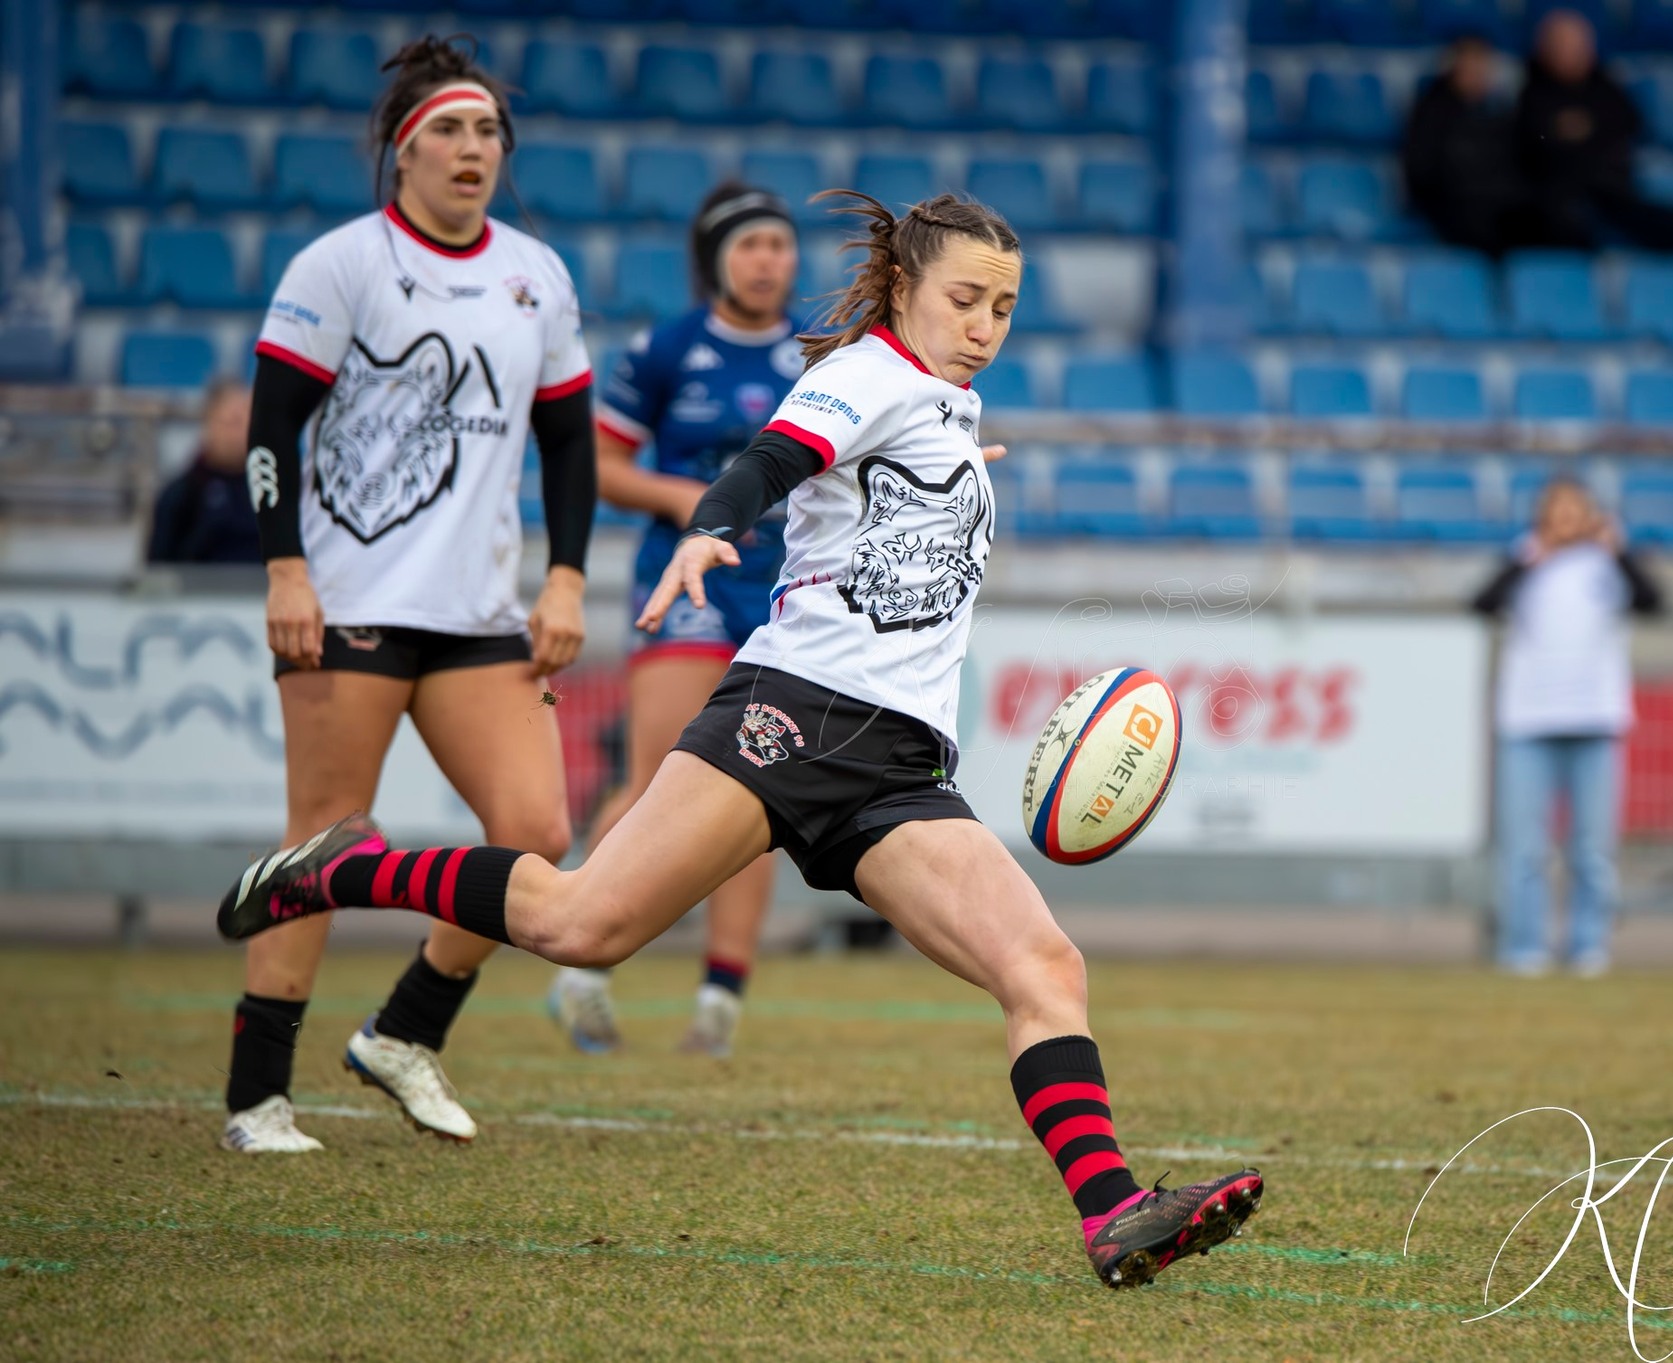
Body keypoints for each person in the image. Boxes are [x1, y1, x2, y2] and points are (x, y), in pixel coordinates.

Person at [216, 189, 1263, 1289]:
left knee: (1044, 965)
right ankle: (350, 865)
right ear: (903, 290)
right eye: (963, 298)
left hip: (901, 766)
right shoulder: (864, 372)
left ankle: (1112, 1212)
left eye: (1003, 305)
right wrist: (710, 531)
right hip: (794, 713)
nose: (984, 324)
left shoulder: (944, 409)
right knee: (583, 925)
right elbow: (768, 462)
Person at [221, 35, 595, 1153]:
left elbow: (568, 446)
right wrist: (284, 567)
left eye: (488, 131)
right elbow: (269, 430)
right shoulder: (340, 265)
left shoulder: (537, 272)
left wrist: (567, 576)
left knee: (534, 834)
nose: (473, 148)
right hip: (346, 607)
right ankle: (256, 1100)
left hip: (480, 618)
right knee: (323, 847)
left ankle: (400, 1031)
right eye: (449, 129)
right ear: (401, 152)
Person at [546, 183, 805, 1059]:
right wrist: (687, 498)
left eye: (780, 244)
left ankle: (719, 1001)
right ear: (716, 260)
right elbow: (603, 463)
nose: (769, 260)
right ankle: (580, 964)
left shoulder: (822, 357)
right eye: (751, 245)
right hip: (687, 582)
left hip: (781, 592)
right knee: (663, 772)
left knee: (763, 781)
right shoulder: (666, 349)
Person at [1471, 478, 1664, 977]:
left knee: (1592, 848)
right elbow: (1481, 603)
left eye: (1575, 511)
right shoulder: (1527, 560)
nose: (1565, 521)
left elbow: (1654, 602)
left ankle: (1587, 945)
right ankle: (1524, 946)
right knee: (1525, 848)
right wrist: (1529, 558)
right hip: (1529, 720)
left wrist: (1618, 553)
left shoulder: (1607, 565)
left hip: (1595, 719)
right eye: (1557, 511)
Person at [1515, 9, 1673, 253]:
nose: (1574, 53)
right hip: (1559, 194)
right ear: (1545, 48)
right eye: (1563, 45)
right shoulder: (1531, 91)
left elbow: (1631, 122)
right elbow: (1536, 136)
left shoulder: (1604, 85)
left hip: (1608, 190)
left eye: (1579, 45)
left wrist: (1586, 127)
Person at [1402, 34, 1536, 258]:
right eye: (1470, 67)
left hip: (1497, 204)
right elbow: (1423, 171)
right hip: (1454, 206)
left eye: (1482, 68)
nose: (1478, 75)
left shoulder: (1499, 112)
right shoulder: (1432, 112)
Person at [147, 379, 262, 564]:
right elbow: (158, 571)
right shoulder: (182, 495)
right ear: (209, 423)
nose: (238, 433)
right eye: (232, 422)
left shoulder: (270, 490)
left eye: (246, 422)